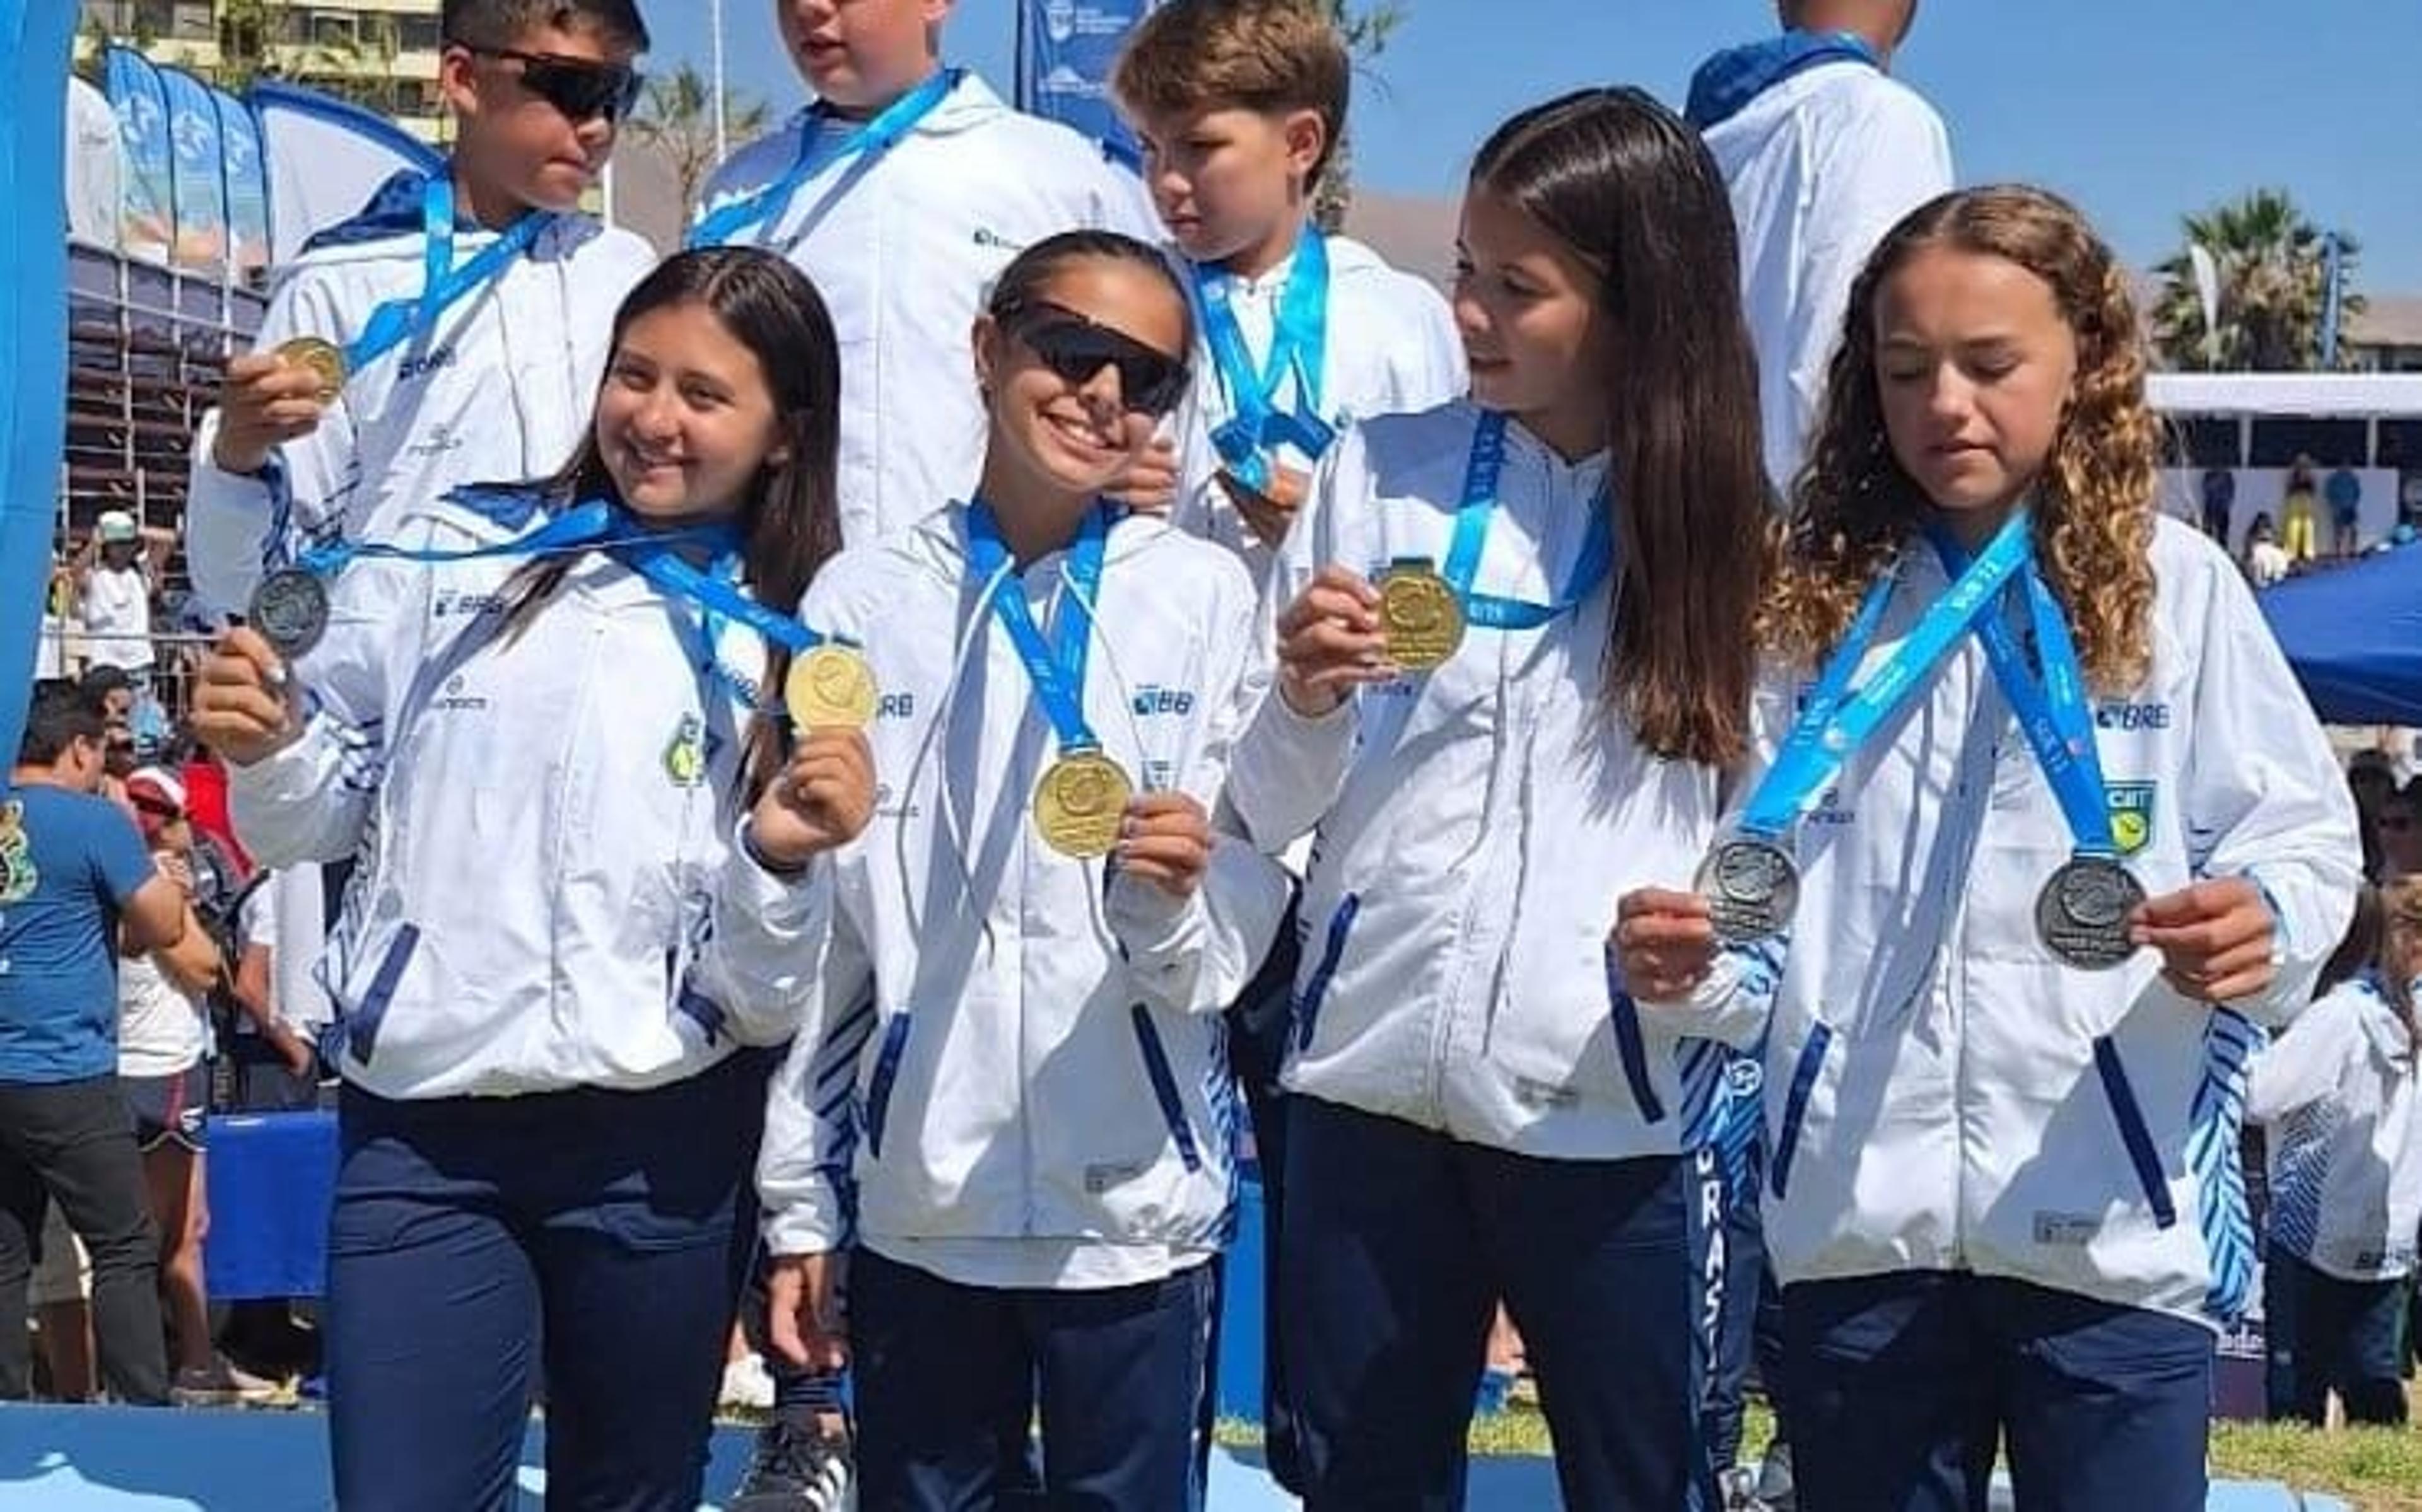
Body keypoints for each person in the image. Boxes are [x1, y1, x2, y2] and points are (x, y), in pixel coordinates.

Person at [1620, 185, 2362, 1511]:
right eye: (1907, 372)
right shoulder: (1813, 608)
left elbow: (2305, 839)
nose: (1946, 404)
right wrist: (1690, 966)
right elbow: (1755, 904)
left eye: (1990, 365)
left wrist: (2261, 920)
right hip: (1861, 1224)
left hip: (2111, 1227)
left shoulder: (2174, 585)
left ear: (2085, 360)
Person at [190, 247, 874, 1512]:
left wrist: (776, 857)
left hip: (658, 1143)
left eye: (706, 395)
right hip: (425, 1128)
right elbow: (313, 808)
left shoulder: (804, 636)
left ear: (787, 433)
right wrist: (271, 744)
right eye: (635, 374)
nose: (655, 418)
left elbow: (773, 992)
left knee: (628, 1496)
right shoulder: (458, 550)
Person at [1228, 88, 1772, 1508]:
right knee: (1360, 1481)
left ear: (1641, 301)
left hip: (1609, 1115)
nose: (1466, 312)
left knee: (1643, 1482)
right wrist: (1301, 696)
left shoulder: (1742, 546)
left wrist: (1706, 984)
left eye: (1515, 288)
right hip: (1364, 1090)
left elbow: (1786, 859)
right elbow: (1265, 807)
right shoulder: (1379, 472)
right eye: (1465, 271)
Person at [750, 230, 1287, 1510]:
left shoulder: (1207, 598)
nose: (1104, 393)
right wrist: (801, 1205)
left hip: (1135, 1212)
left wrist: (1167, 895)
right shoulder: (861, 598)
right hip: (926, 1197)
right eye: (1071, 347)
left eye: (1146, 377)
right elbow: (835, 945)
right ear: (990, 347)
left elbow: (1240, 906)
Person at [184, 0, 658, 619]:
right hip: (391, 698)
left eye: (619, 96)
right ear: (463, 78)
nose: (597, 126)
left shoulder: (628, 273)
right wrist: (236, 458)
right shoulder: (340, 282)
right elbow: (240, 587)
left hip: (578, 689)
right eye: (574, 87)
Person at [692, 0, 1162, 550]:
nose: (812, 9)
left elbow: (1154, 374)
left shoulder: (1061, 175)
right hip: (787, 586)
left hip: (996, 581)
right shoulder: (740, 191)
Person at [1112, 0, 1465, 572]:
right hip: (1156, 649)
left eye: (1200, 147)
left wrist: (1337, 526)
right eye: (1150, 147)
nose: (1167, 180)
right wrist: (1089, 475)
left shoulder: (1398, 319)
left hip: (1330, 652)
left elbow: (1444, 526)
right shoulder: (1126, 299)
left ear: (1301, 144)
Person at [0, 682, 186, 1405]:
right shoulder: (92, 821)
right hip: (66, 1071)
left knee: (6, 1253)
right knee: (123, 1246)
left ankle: (9, 1412)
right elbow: (163, 926)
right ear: (80, 747)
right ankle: (143, 1411)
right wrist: (162, 871)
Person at [1688, 0, 1951, 489]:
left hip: (1702, 506)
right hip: (1819, 512)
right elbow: (1855, 337)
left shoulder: (1699, 131)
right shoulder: (1883, 118)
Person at [114, 767, 274, 1404]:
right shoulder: (148, 887)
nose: (195, 831)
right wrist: (177, 901)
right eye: (181, 818)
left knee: (174, 1226)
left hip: (152, 1060)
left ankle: (187, 1361)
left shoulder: (128, 880)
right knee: (175, 1230)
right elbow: (208, 968)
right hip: (161, 1066)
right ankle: (189, 1366)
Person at [2250, 882, 2422, 1427]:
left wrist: (2248, 1038)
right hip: (2391, 1235)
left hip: (2310, 1231)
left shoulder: (2340, 1015)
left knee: (2296, 1400)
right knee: (2376, 1391)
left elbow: (2260, 1096)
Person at [76, 513, 155, 687]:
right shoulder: (95, 576)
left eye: (128, 544)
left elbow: (157, 583)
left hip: (138, 662)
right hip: (103, 662)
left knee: (140, 712)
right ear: (107, 546)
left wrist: (139, 542)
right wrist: (93, 544)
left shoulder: (139, 576)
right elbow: (74, 576)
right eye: (118, 544)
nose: (124, 549)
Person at [2282, 455, 2320, 564]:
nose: (2303, 466)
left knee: (2309, 526)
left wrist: (2308, 481)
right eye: (2301, 464)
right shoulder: (2292, 476)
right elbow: (2288, 490)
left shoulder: (2311, 477)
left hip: (2307, 501)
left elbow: (2314, 491)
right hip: (2295, 501)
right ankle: (2291, 553)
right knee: (2293, 526)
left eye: (2305, 464)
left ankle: (2308, 553)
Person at [2245, 510, 2291, 587]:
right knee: (2262, 558)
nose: (2264, 523)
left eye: (2266, 521)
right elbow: (2249, 546)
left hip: (2270, 550)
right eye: (2262, 521)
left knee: (2279, 554)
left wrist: (2281, 546)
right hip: (2257, 552)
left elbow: (2277, 543)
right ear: (2258, 521)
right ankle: (2259, 580)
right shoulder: (2252, 532)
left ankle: (2277, 574)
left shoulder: (2272, 531)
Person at [2326, 462, 2363, 558]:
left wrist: (2354, 503)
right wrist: (2334, 505)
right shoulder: (2334, 479)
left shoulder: (2353, 478)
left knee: (2353, 528)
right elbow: (2329, 493)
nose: (2346, 468)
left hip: (2350, 506)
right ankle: (2339, 551)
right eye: (2343, 466)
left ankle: (2353, 549)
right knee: (2339, 530)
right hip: (2339, 507)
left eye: (2348, 466)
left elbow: (2358, 492)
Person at [2200, 465, 2237, 545]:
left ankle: (2222, 548)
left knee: (2223, 536)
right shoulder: (2209, 475)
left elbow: (2231, 494)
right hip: (2211, 508)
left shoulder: (2228, 477)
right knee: (2207, 536)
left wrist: (2226, 505)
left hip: (2223, 510)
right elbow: (2206, 489)